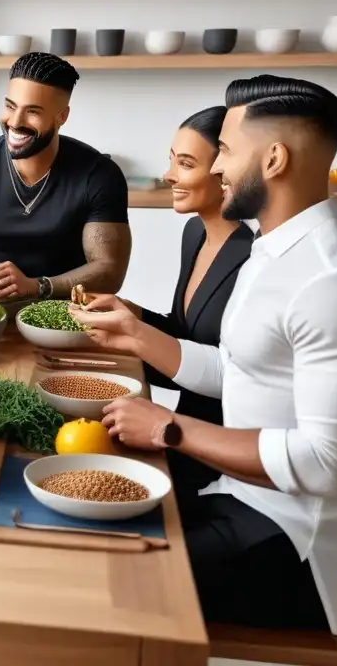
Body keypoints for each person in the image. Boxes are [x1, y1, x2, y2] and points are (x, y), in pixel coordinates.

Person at [70, 75, 337, 635]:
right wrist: (134, 334)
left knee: (102, 587)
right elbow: (235, 369)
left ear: (274, 158)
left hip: (297, 545)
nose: (218, 167)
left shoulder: (332, 279)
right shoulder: (273, 250)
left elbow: (326, 463)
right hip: (234, 493)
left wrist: (169, 429)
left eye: (225, 150)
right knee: (86, 534)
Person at [0, 51, 132, 303]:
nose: (15, 122)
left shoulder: (98, 176)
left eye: (33, 111)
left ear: (61, 117)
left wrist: (38, 286)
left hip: (70, 322)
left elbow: (110, 272)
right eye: (10, 106)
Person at [120, 106, 254, 498]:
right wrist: (133, 315)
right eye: (172, 160)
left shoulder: (252, 257)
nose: (169, 175)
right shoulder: (195, 232)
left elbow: (227, 373)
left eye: (186, 163)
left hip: (218, 453)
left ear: (225, 172)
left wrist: (135, 334)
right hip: (177, 430)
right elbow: (185, 337)